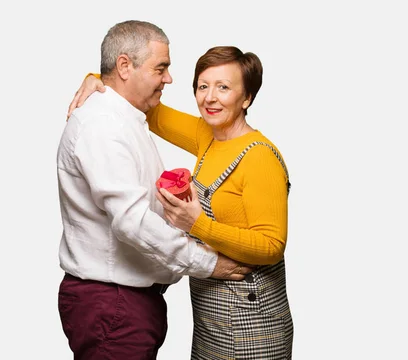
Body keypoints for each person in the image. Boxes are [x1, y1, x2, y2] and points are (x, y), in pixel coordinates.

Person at [69, 46, 294, 359]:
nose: (210, 97)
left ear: (247, 98)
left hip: (252, 315)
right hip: (211, 316)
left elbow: (272, 246)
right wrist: (97, 78)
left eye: (224, 87)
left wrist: (196, 224)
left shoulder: (259, 157)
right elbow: (149, 108)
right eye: (203, 86)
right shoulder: (209, 135)